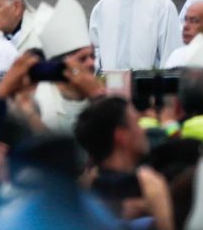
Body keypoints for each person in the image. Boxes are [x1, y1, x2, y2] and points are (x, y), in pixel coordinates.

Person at [74, 96, 174, 229]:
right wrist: (160, 208)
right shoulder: (150, 187)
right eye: (137, 123)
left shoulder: (81, 196)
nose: (143, 130)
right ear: (121, 135)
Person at [33, 0, 104, 133]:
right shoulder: (42, 108)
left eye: (92, 56)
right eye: (82, 59)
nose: (92, 64)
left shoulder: (103, 93)